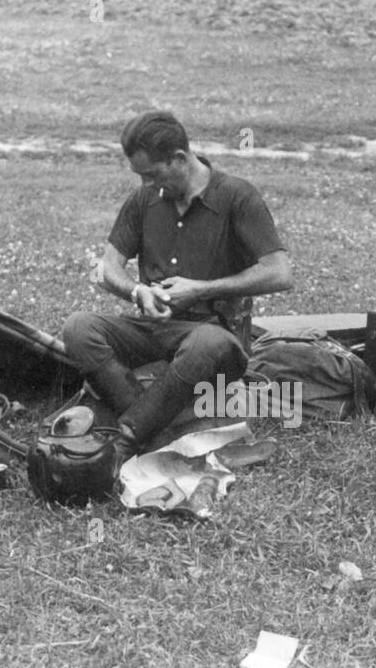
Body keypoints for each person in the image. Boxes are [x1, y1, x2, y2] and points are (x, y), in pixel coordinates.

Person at [62, 111, 294, 467]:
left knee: (207, 343)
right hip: (157, 329)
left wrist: (202, 289)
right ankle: (155, 428)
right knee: (79, 327)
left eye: (153, 174)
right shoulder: (145, 198)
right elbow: (109, 267)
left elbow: (280, 273)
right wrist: (138, 292)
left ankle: (128, 437)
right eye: (141, 176)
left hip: (215, 338)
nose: (147, 183)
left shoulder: (236, 196)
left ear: (180, 159)